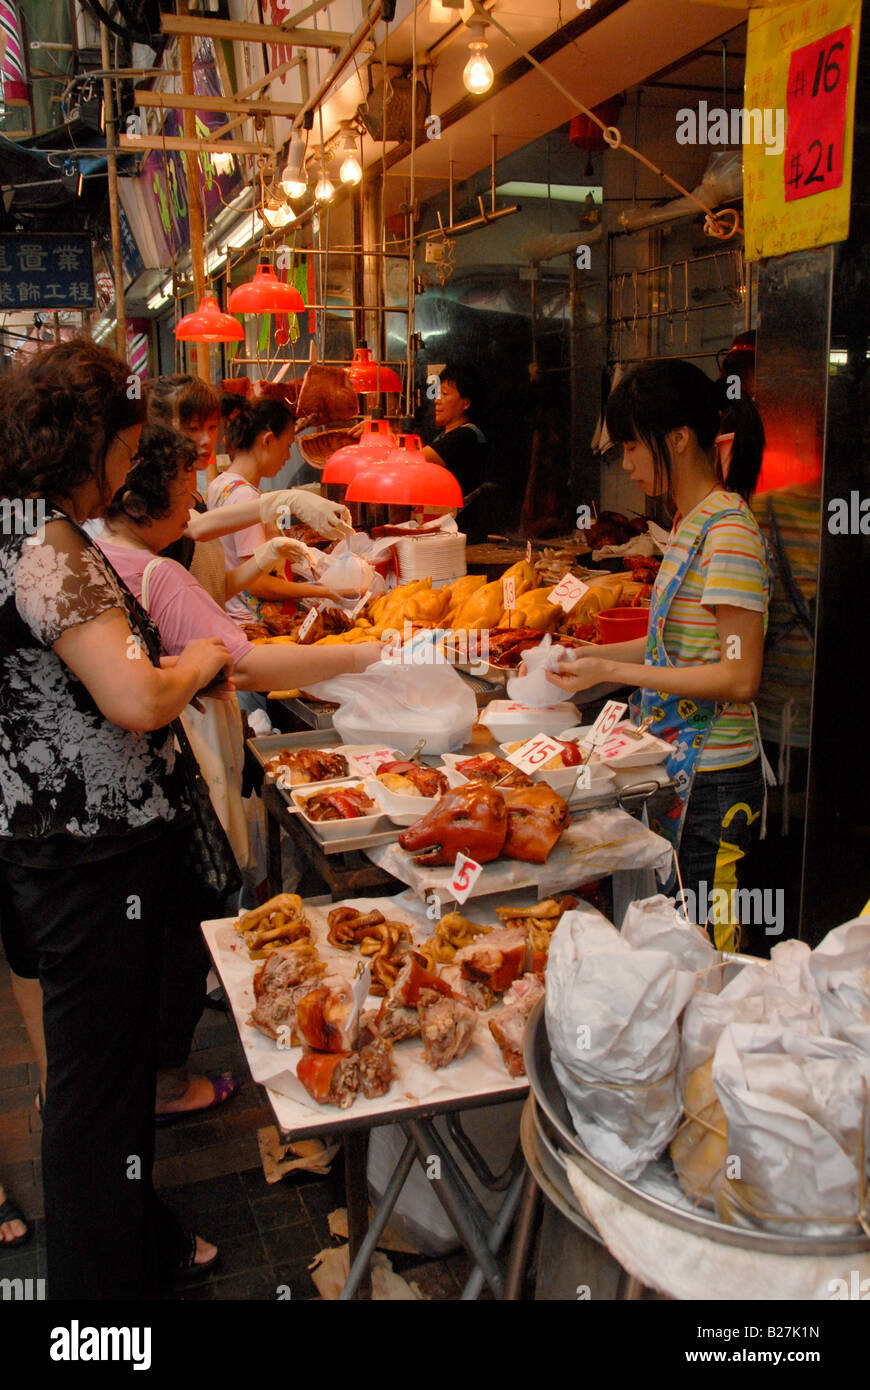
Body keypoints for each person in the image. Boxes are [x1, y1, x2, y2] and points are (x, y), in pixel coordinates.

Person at [0, 339, 228, 1297]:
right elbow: (135, 699)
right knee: (94, 1102)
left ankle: (139, 1241)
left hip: (59, 847)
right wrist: (205, 663)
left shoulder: (24, 524)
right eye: (126, 450)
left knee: (106, 1084)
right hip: (87, 860)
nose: (133, 471)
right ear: (86, 440)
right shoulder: (44, 549)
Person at [545, 359, 770, 951]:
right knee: (675, 944)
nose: (626, 463)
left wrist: (611, 671)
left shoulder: (730, 534)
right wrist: (585, 656)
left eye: (631, 446)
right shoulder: (690, 524)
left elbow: (740, 676)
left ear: (678, 438)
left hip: (717, 780)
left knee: (709, 951)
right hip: (678, 764)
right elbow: (671, 644)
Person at [206, 397, 358, 624]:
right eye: (287, 446)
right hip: (253, 623)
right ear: (268, 441)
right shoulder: (244, 496)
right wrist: (324, 591)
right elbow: (257, 583)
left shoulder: (220, 484)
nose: (288, 458)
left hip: (233, 616)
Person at [422, 361, 488, 541]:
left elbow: (416, 459)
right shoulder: (442, 437)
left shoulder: (466, 436)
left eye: (444, 394)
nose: (437, 400)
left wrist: (381, 435)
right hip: (444, 531)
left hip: (463, 535)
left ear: (465, 403)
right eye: (437, 393)